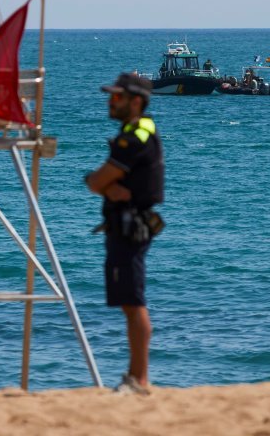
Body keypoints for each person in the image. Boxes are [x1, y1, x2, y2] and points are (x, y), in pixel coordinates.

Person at [85, 73, 165, 395]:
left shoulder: (133, 139)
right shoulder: (138, 132)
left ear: (136, 101)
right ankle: (136, 377)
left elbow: (96, 181)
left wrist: (98, 181)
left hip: (130, 228)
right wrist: (102, 183)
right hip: (128, 225)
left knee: (133, 303)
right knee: (130, 303)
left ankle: (139, 379)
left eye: (117, 97)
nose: (110, 102)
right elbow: (101, 182)